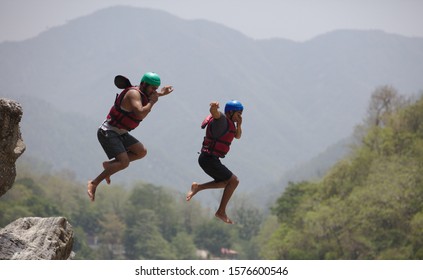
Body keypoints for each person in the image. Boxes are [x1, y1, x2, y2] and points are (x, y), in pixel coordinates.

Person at [87, 72, 173, 201]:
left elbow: (149, 96)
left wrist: (161, 93)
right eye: (152, 88)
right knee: (124, 162)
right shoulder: (133, 94)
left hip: (120, 132)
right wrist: (153, 102)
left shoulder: (143, 93)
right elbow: (140, 114)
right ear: (143, 84)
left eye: (156, 88)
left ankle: (110, 165)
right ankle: (93, 183)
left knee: (141, 151)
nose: (154, 91)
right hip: (108, 132)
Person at [186, 100, 243, 224]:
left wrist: (239, 125)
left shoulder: (231, 124)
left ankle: (198, 187)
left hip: (209, 159)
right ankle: (221, 212)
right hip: (208, 159)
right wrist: (213, 108)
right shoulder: (222, 119)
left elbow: (237, 136)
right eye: (238, 113)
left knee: (226, 183)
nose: (240, 116)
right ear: (230, 112)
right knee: (234, 181)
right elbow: (215, 113)